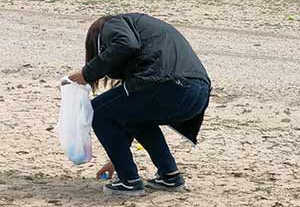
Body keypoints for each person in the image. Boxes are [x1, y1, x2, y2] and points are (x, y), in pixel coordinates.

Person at [64, 13, 211, 196]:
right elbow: (128, 113)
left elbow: (126, 44)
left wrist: (87, 73)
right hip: (198, 93)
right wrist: (116, 161)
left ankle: (129, 181)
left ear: (98, 40)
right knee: (135, 118)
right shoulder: (143, 30)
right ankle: (169, 176)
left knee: (99, 112)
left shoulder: (111, 25)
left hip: (169, 85)